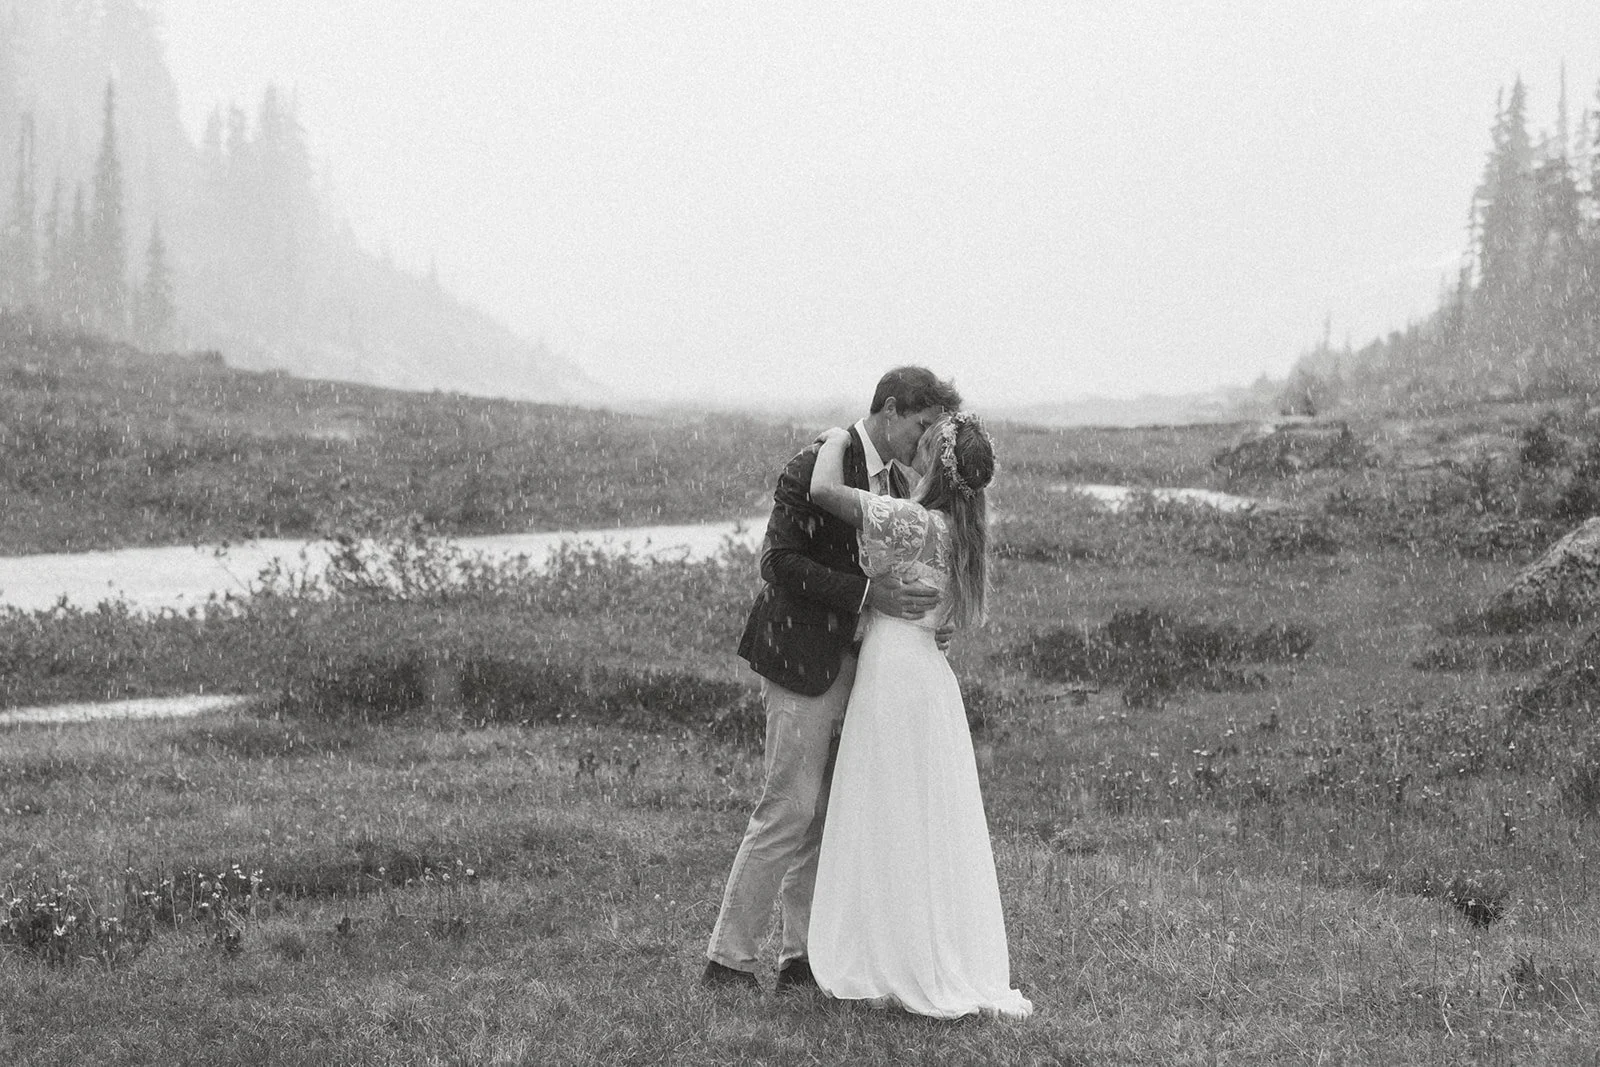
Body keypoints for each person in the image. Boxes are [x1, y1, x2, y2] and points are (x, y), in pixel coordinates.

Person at [703, 367, 962, 991]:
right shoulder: (818, 459)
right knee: (788, 806)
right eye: (923, 426)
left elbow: (910, 570)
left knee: (828, 815)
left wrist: (924, 621)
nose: (925, 442)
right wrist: (866, 593)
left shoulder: (904, 481)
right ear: (892, 409)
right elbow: (779, 562)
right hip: (802, 658)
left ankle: (803, 957)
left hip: (868, 669)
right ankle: (728, 959)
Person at [804, 411, 1033, 1020]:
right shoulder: (964, 534)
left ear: (937, 463)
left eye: (928, 450)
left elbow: (824, 491)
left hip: (892, 675)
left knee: (883, 808)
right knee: (926, 817)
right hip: (931, 683)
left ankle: (886, 950)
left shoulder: (909, 520)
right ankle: (925, 944)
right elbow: (946, 618)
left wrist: (834, 438)